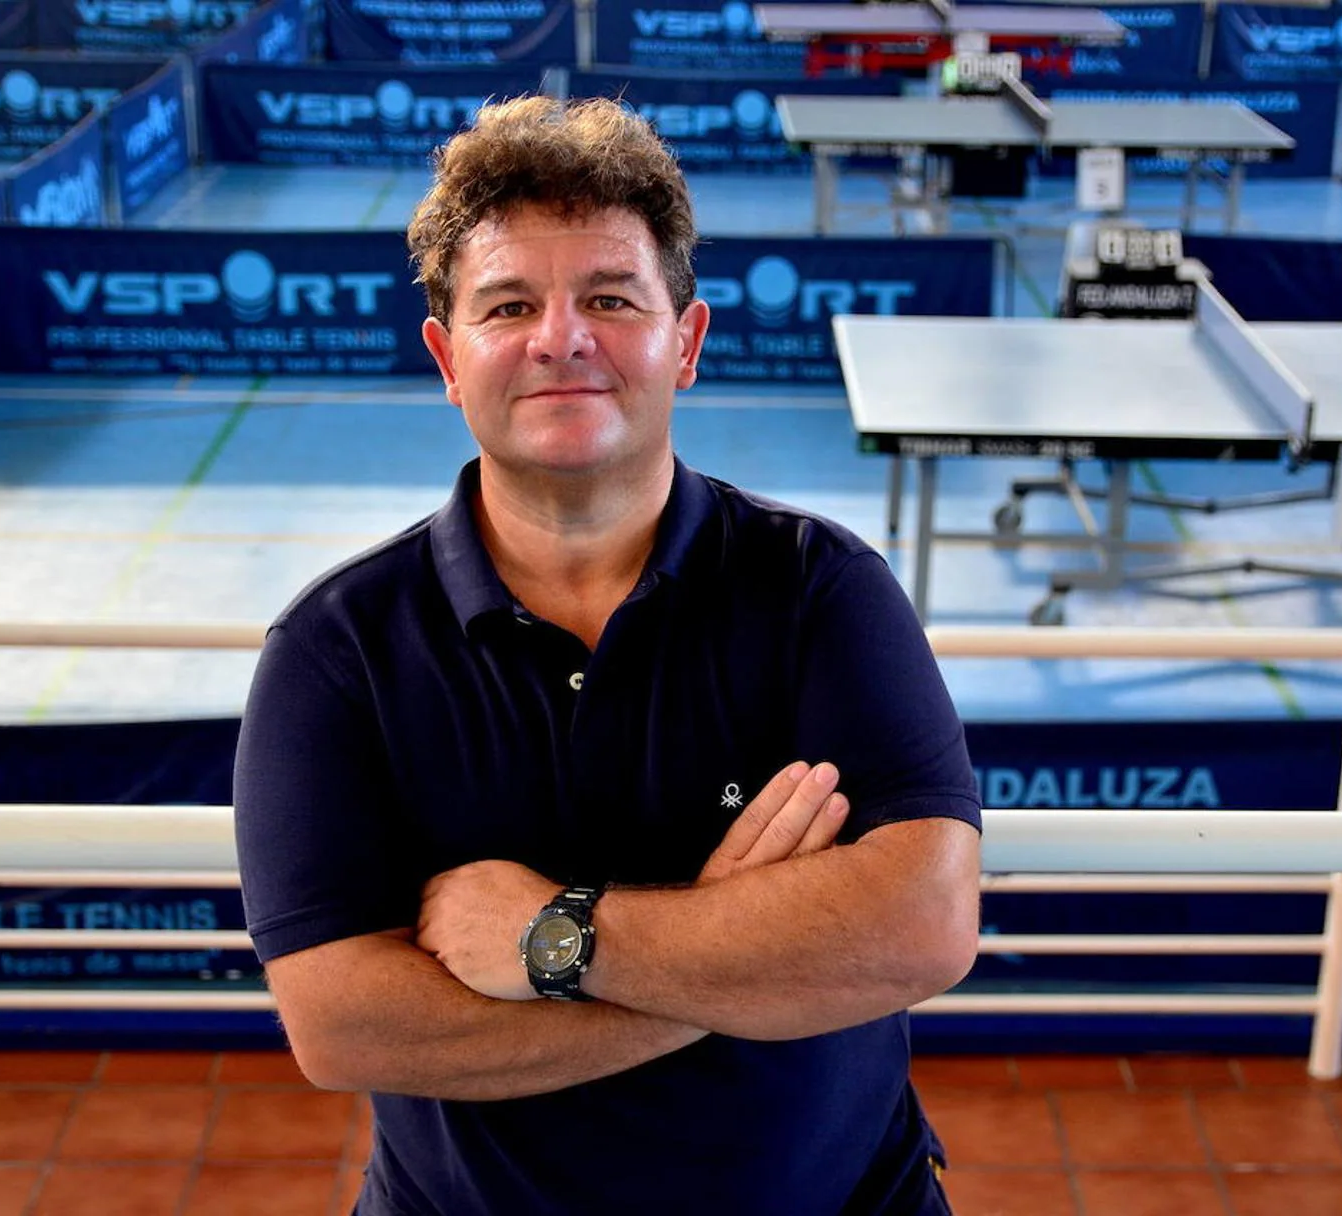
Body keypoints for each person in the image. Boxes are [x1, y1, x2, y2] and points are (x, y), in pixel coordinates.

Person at [232, 95, 983, 1216]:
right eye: (509, 304)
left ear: (686, 341)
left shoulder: (821, 587)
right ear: (448, 354)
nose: (561, 337)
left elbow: (923, 920)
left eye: (610, 297)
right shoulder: (336, 650)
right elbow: (342, 1024)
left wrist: (554, 937)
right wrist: (744, 962)